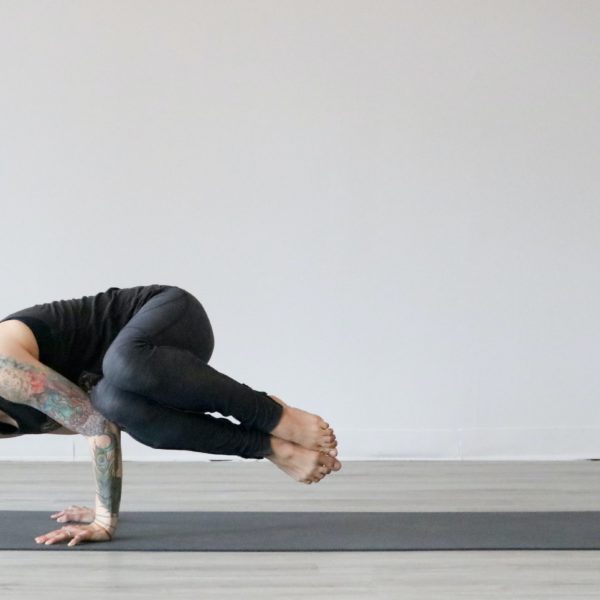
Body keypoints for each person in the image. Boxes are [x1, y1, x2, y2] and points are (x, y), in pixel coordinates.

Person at [0, 284, 341, 547]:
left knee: (122, 367)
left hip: (168, 318)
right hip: (150, 380)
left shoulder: (4, 370)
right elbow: (101, 422)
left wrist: (104, 520)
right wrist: (99, 506)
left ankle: (274, 416)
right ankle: (269, 445)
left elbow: (93, 426)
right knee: (114, 402)